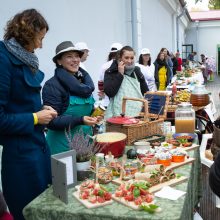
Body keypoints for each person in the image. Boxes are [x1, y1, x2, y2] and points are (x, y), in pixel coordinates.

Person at [0, 9, 57, 220]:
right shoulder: (3, 59)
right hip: (20, 158)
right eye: (40, 38)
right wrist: (35, 117)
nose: (41, 45)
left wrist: (41, 110)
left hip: (37, 150)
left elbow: (21, 103)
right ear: (27, 32)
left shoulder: (23, 58)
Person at [42, 41, 99, 155]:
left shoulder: (84, 84)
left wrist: (95, 114)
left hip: (84, 144)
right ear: (59, 61)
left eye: (77, 56)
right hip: (61, 147)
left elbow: (86, 110)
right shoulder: (52, 85)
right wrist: (80, 120)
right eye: (69, 56)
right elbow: (52, 121)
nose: (75, 60)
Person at [104, 45, 149, 118]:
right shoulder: (111, 71)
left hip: (137, 115)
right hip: (118, 115)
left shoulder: (136, 71)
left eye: (132, 58)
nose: (129, 61)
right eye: (126, 58)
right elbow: (110, 92)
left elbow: (146, 92)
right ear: (120, 58)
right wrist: (120, 74)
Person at [98, 42, 123, 108]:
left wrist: (102, 93)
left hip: (106, 102)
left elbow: (100, 83)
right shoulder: (122, 65)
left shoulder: (104, 65)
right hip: (119, 102)